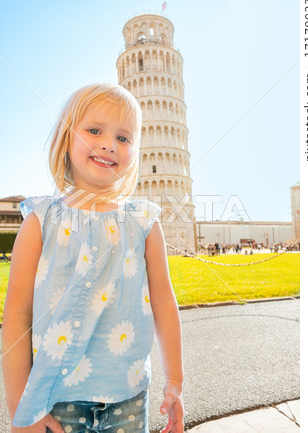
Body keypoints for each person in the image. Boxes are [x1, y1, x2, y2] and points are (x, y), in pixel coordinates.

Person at [2, 84, 184, 433]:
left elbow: (164, 302)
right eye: (94, 130)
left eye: (124, 137)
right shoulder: (41, 220)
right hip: (55, 401)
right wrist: (21, 409)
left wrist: (174, 381)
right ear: (66, 138)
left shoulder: (144, 222)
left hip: (128, 398)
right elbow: (16, 315)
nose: (108, 144)